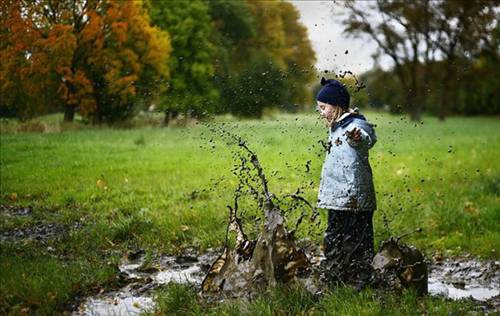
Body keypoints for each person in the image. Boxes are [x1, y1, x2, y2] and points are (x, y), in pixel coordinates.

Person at [315, 77, 377, 289]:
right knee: (334, 239)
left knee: (357, 240)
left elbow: (366, 139)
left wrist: (357, 137)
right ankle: (335, 277)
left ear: (338, 106)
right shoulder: (335, 127)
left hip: (354, 200)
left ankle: (360, 281)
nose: (321, 112)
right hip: (337, 199)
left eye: (323, 107)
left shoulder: (356, 126)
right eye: (319, 108)